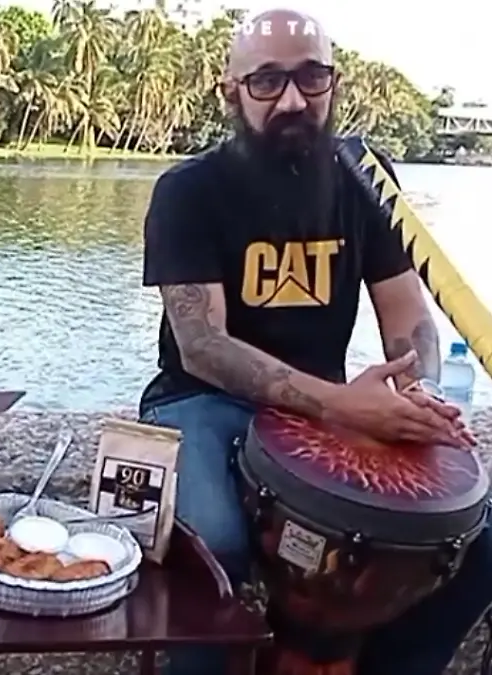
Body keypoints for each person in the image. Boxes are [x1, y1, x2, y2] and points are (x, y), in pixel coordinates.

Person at [137, 8, 492, 675]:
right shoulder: (188, 190)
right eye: (267, 81)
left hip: (327, 408)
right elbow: (202, 345)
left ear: (334, 81)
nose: (294, 100)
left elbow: (407, 314)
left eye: (311, 77)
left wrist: (419, 392)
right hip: (200, 400)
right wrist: (341, 404)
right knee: (215, 542)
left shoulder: (366, 177)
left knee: (477, 538)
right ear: (231, 91)